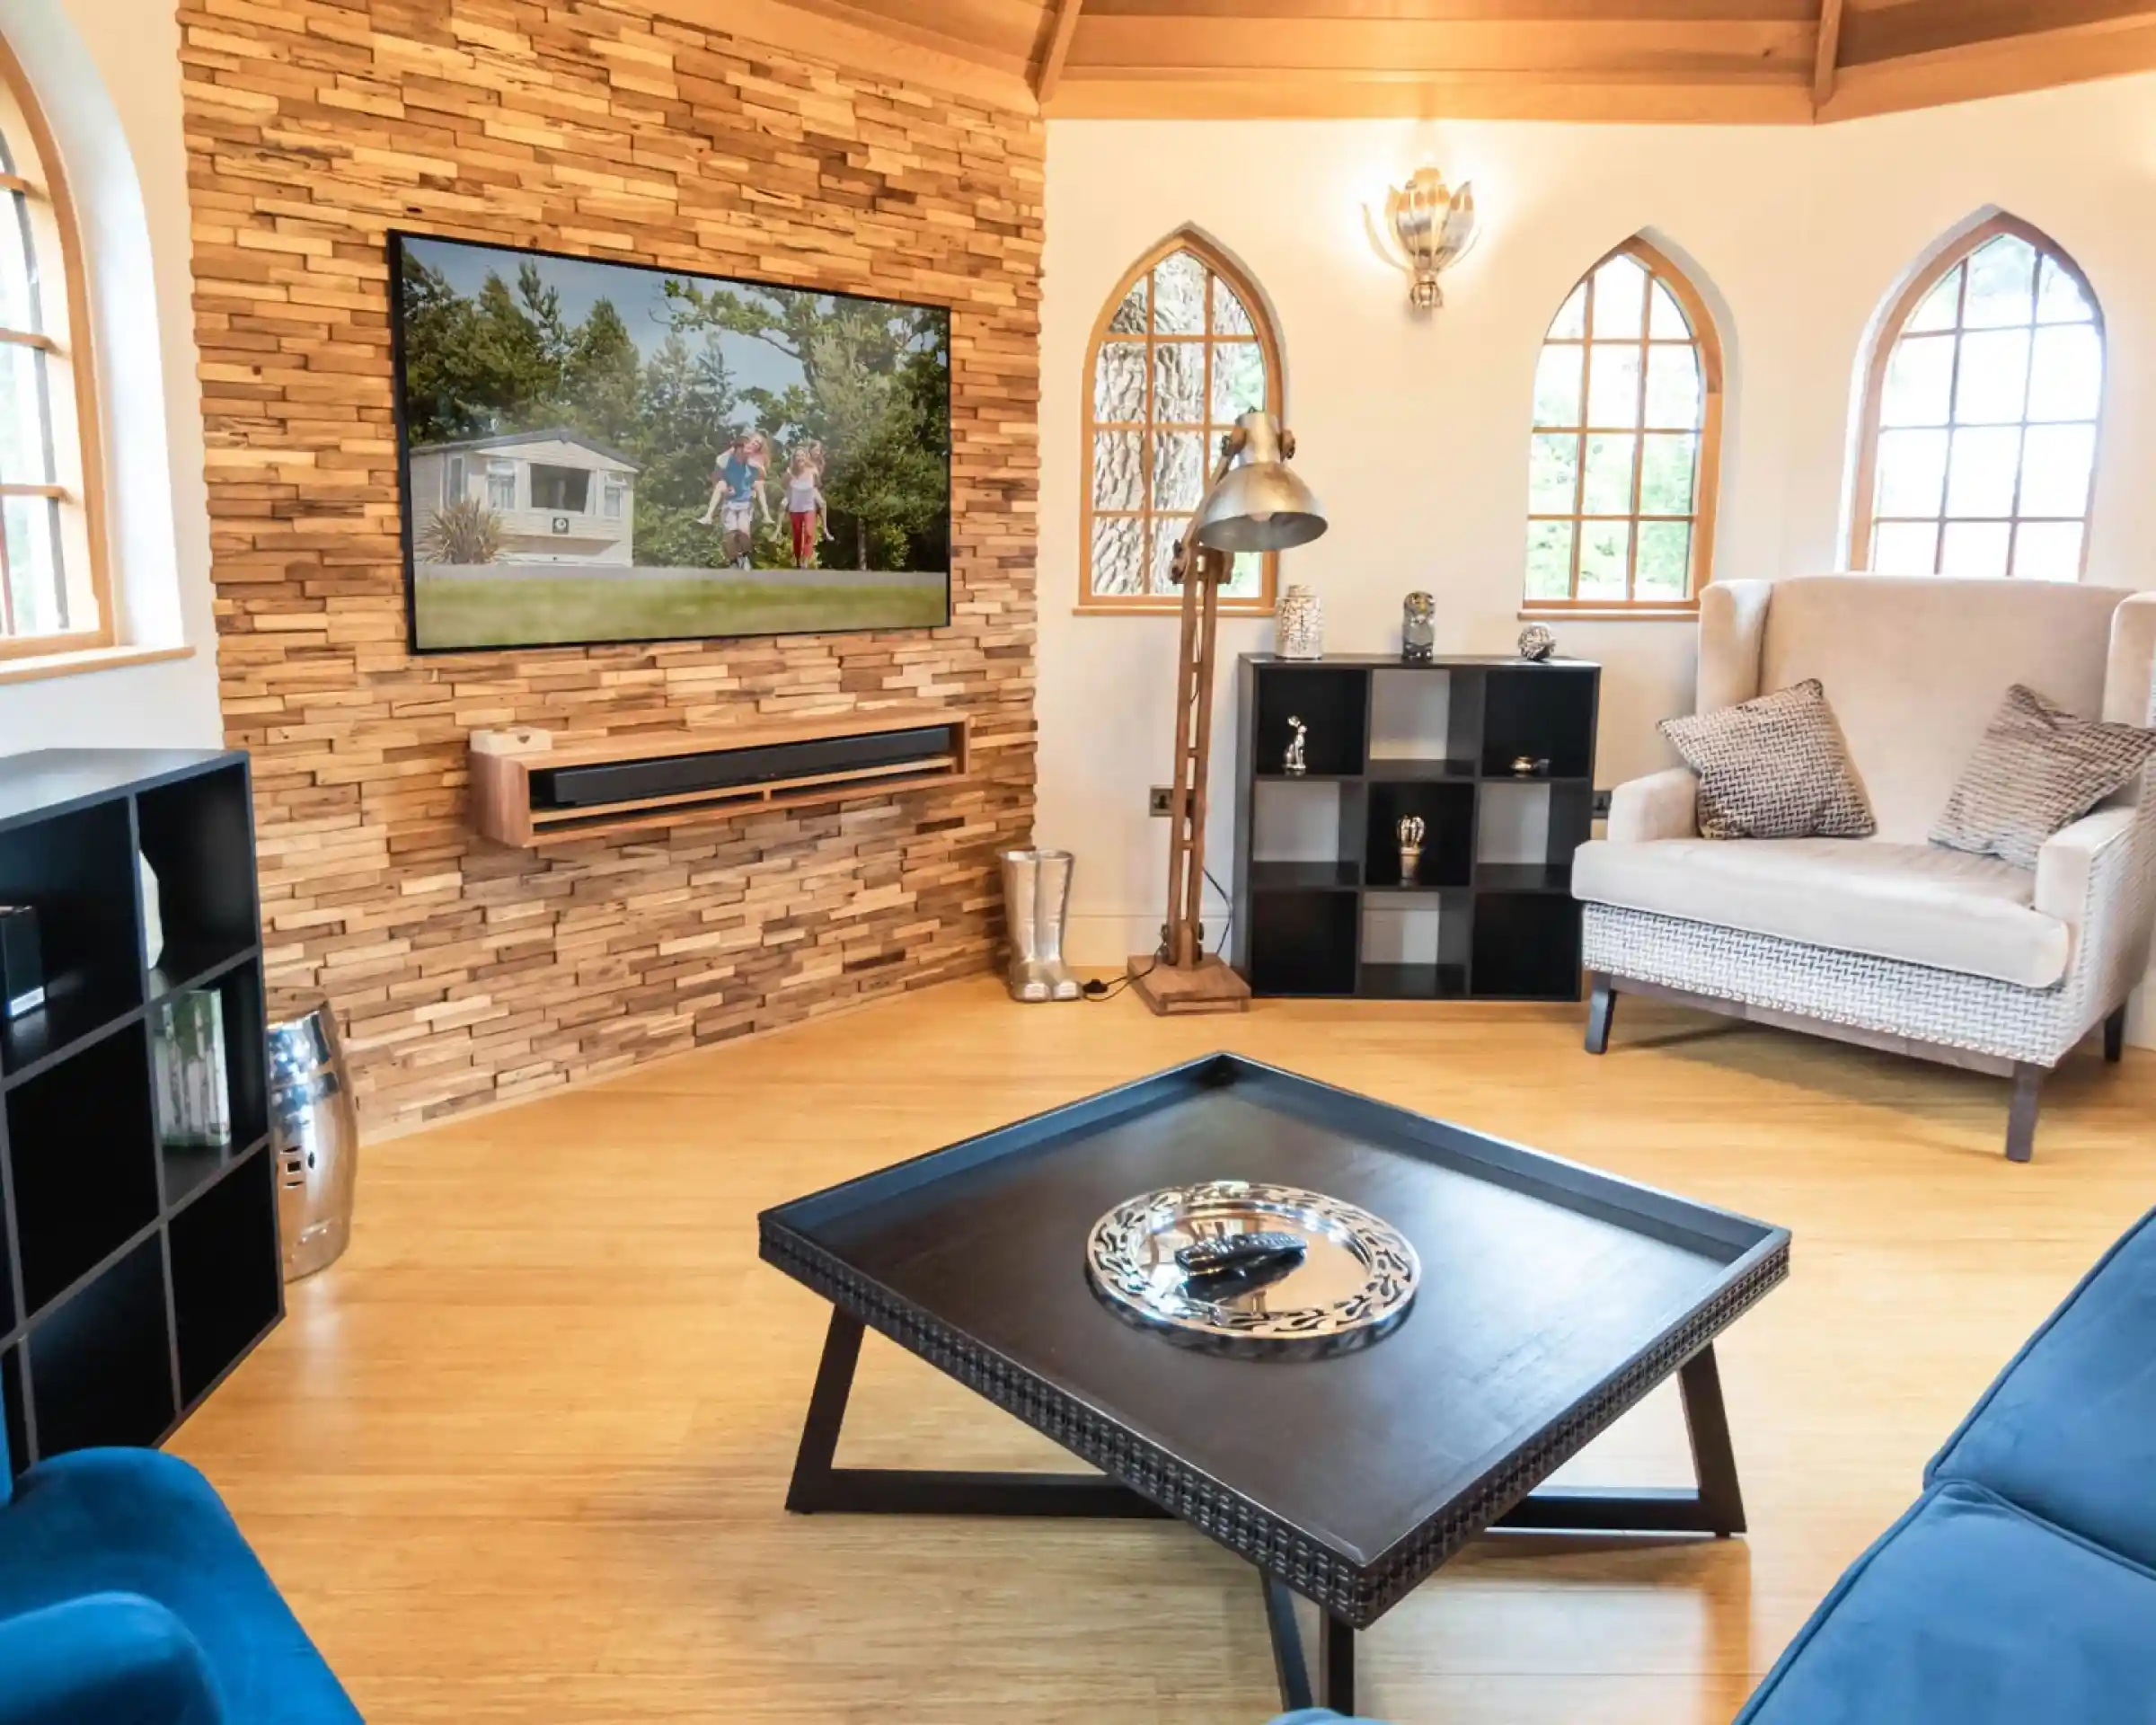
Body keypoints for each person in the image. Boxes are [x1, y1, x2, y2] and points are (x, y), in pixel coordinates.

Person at [695, 432, 770, 569]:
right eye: (753, 442)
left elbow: (762, 476)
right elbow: (717, 473)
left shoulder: (753, 462)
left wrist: (755, 477)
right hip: (729, 502)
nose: (754, 446)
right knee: (730, 535)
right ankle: (734, 560)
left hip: (745, 501)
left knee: (743, 531)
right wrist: (726, 486)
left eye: (757, 445)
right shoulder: (729, 458)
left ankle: (745, 556)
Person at [783, 446, 828, 569]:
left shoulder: (812, 470)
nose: (800, 458)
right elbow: (784, 486)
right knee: (797, 536)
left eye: (802, 455)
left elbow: (817, 484)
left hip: (809, 507)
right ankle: (798, 559)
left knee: (809, 533)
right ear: (794, 458)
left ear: (806, 457)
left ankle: (805, 561)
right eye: (797, 456)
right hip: (795, 508)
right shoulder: (790, 472)